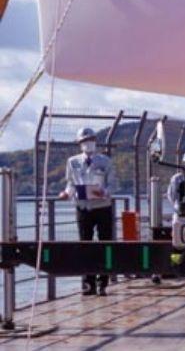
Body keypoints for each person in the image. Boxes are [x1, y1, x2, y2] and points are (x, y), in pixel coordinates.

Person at [58, 127, 115, 296]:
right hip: (83, 207)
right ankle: (87, 283)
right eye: (84, 141)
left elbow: (113, 184)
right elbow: (71, 183)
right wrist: (66, 194)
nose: (87, 143)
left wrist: (103, 192)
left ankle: (103, 283)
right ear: (79, 144)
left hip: (102, 207)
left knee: (105, 244)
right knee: (85, 244)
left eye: (90, 140)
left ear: (95, 142)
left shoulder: (105, 161)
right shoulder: (72, 162)